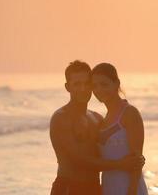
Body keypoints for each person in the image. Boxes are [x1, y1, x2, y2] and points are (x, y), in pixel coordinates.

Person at [49, 60, 144, 195]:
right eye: (77, 84)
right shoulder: (61, 118)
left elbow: (111, 149)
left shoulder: (97, 119)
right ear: (67, 87)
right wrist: (120, 164)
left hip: (96, 188)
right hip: (70, 188)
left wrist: (137, 159)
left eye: (87, 83)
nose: (83, 89)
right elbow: (78, 159)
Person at [91, 63, 148, 195]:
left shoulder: (129, 113)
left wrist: (132, 190)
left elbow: (137, 159)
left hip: (129, 187)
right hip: (108, 187)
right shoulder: (102, 120)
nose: (99, 89)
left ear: (116, 83)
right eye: (94, 86)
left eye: (104, 84)